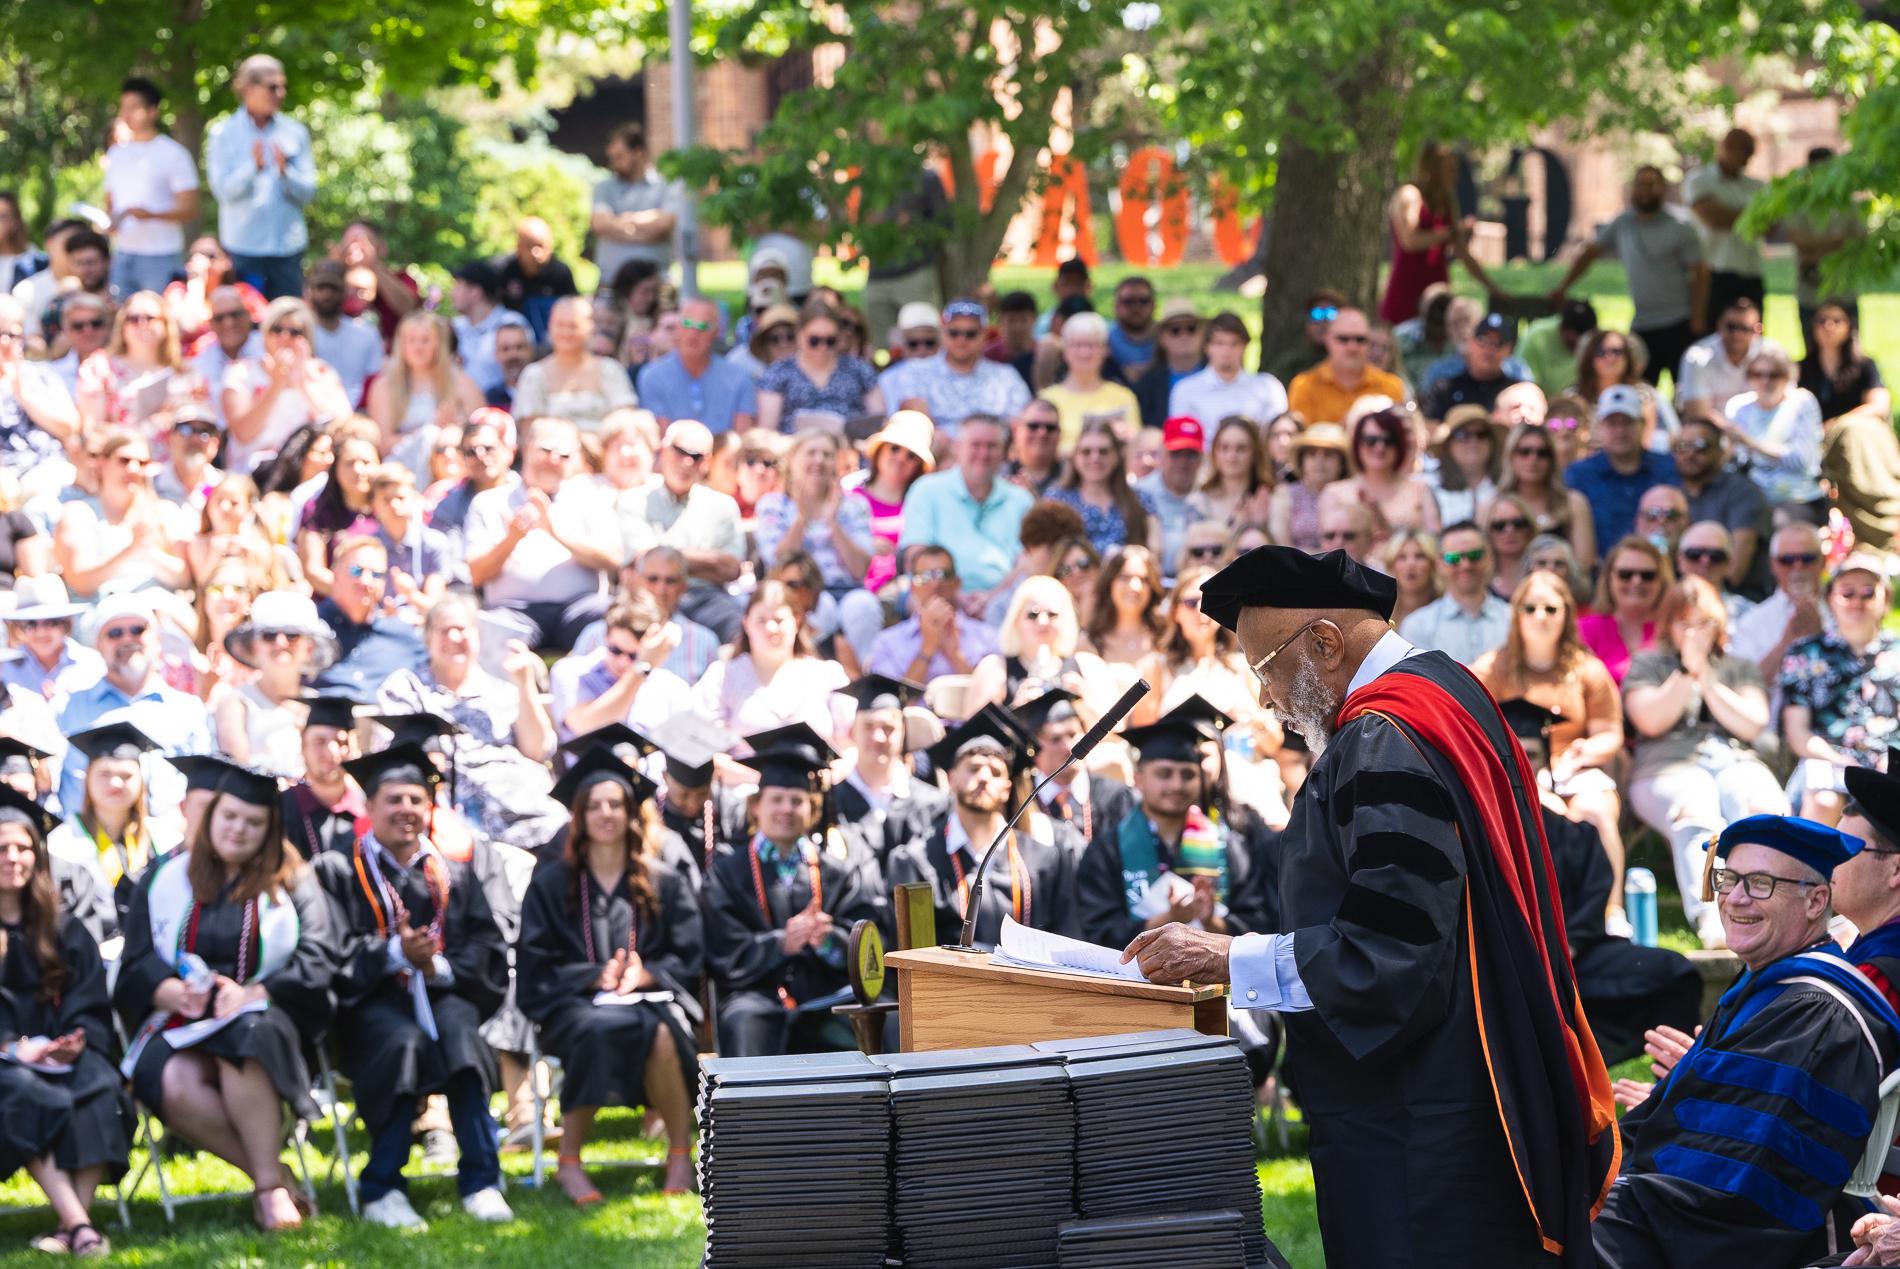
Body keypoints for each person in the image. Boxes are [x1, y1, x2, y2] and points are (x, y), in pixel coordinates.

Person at [1125, 545, 1619, 1268]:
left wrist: (1231, 955)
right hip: (1470, 1084)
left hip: (1421, 1123)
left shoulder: (1384, 737)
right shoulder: (1448, 691)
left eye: (1267, 672)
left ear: (1325, 641)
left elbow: (1389, 947)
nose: (1267, 701)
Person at [1594, 816, 1900, 1269]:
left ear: (1817, 900)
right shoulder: (1762, 989)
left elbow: (1738, 1183)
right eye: (1729, 878)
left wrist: (1603, 1195)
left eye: (1761, 883)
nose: (1735, 897)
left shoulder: (1817, 1015)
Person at [113, 765, 334, 1232]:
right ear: (211, 816)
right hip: (179, 1023)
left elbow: (320, 955)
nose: (239, 830)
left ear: (270, 830)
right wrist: (168, 990)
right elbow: (133, 962)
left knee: (246, 1042)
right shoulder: (166, 876)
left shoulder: (292, 879)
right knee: (171, 1081)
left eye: (254, 823)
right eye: (230, 817)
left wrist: (256, 991)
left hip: (261, 1016)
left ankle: (269, 1190)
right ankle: (272, 1178)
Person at [313, 744, 512, 1230]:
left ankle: (482, 1179)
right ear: (370, 807)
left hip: (443, 990)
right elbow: (328, 951)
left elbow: (485, 945)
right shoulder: (338, 871)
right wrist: (394, 955)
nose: (407, 809)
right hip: (367, 1005)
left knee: (461, 1039)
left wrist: (434, 966)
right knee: (402, 1043)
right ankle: (383, 1186)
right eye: (394, 799)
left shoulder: (452, 872)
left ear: (430, 809)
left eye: (416, 800)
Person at [516, 747, 700, 1200]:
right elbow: (535, 962)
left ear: (631, 813)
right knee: (604, 1027)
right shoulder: (551, 882)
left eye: (615, 804)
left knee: (660, 1033)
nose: (605, 814)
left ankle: (680, 1157)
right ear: (578, 816)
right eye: (594, 805)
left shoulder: (663, 881)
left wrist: (647, 974)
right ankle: (570, 1161)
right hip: (572, 1008)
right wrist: (593, 977)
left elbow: (690, 955)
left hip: (647, 1003)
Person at [1496, 702, 1702, 1064]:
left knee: (1674, 973)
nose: (1521, 763)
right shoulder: (1480, 831)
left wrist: (1566, 951)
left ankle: (1666, 1086)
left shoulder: (1575, 835)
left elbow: (1593, 904)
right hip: (1503, 968)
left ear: (1545, 763)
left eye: (1531, 754)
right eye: (1512, 753)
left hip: (1572, 960)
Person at [0, 787, 130, 1258]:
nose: (13, 858)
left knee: (97, 1081)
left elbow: (89, 1001)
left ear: (38, 855)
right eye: (1, 848)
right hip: (6, 1064)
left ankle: (70, 1222)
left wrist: (75, 1041)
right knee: (22, 1091)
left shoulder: (65, 927)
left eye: (22, 847)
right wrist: (15, 1050)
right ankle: (80, 1224)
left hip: (59, 1055)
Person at [703, 723, 886, 1055]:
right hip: (756, 997)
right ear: (756, 806)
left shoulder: (839, 873)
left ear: (812, 810)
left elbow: (869, 941)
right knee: (744, 1020)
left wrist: (831, 940)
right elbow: (721, 949)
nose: (786, 809)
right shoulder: (727, 873)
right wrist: (780, 943)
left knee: (875, 1017)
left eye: (797, 800)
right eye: (777, 799)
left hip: (825, 995)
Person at [1624, 575, 1785, 945]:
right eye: (1685, 623)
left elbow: (1751, 722)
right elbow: (1650, 719)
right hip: (1667, 767)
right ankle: (1712, 915)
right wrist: (1685, 671)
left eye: (1704, 623)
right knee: (1695, 806)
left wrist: (1706, 676)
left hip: (1734, 759)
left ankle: (1767, 911)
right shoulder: (1648, 665)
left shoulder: (1737, 667)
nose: (1695, 632)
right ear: (1669, 624)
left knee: (1760, 806)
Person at [1474, 570, 1628, 927]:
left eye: (1550, 608)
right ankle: (1546, 917)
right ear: (1516, 615)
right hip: (1515, 770)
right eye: (1530, 608)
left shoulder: (1587, 669)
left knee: (1597, 811)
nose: (1540, 617)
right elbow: (1472, 728)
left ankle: (1611, 911)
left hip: (1574, 766)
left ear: (1566, 614)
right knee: (1546, 811)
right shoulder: (1493, 668)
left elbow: (1609, 732)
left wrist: (1584, 753)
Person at [1075, 693, 1277, 950]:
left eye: (1187, 775)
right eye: (1164, 774)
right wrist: (1169, 920)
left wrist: (1209, 919)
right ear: (1138, 779)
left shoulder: (1230, 846)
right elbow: (1097, 933)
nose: (1176, 785)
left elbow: (1256, 925)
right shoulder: (1106, 850)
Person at [888, 705, 1074, 946]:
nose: (984, 777)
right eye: (974, 768)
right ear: (952, 779)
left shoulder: (1043, 860)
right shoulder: (916, 862)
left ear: (1007, 789)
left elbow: (1065, 942)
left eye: (996, 772)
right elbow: (910, 955)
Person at [466, 416, 621, 653]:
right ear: (527, 449)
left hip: (579, 607)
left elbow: (613, 558)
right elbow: (477, 574)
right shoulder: (489, 502)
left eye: (565, 455)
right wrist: (512, 539)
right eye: (546, 450)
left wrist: (555, 532)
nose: (554, 459)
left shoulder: (591, 498)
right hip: (514, 611)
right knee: (491, 635)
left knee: (613, 618)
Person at [1547, 165, 1708, 390]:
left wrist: (1697, 315)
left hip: (1678, 322)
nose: (1645, 191)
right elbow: (1590, 254)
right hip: (1642, 323)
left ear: (1662, 189)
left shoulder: (1680, 226)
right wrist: (1563, 287)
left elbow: (1700, 272)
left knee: (1685, 389)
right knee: (1638, 390)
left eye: (1651, 185)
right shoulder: (1623, 223)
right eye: (1640, 184)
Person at [56, 594, 211, 820]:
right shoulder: (67, 708)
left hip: (170, 843)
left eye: (138, 630)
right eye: (114, 633)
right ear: (98, 645)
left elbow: (203, 783)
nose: (127, 639)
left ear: (157, 639)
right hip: (87, 845)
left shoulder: (188, 709)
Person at [1780, 553, 1899, 821]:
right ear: (1830, 599)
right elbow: (1797, 732)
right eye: (1848, 593)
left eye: (1868, 593)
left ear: (1885, 601)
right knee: (1824, 800)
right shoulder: (1804, 653)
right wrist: (1842, 761)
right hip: (1827, 763)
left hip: (1890, 766)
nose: (1857, 602)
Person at [753, 428, 882, 657]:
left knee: (864, 607)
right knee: (822, 608)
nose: (819, 460)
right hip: (798, 591)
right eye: (811, 453)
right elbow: (776, 564)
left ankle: (864, 681)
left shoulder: (854, 505)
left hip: (849, 589)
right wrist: (801, 520)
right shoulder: (773, 505)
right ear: (792, 460)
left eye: (827, 454)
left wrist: (833, 522)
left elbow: (860, 569)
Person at [205, 55, 314, 300]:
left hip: (287, 248)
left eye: (282, 86)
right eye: (272, 86)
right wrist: (252, 168)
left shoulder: (295, 132)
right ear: (247, 88)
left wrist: (286, 173)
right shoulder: (224, 133)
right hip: (244, 249)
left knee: (287, 322)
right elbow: (223, 191)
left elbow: (309, 192)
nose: (280, 93)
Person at [627, 419, 747, 641]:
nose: (687, 462)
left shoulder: (722, 506)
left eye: (696, 456)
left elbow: (731, 568)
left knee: (742, 631)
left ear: (707, 462)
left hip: (705, 597)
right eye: (680, 451)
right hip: (648, 596)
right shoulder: (633, 500)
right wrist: (707, 561)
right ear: (663, 451)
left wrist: (664, 554)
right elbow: (641, 560)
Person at [898, 413, 1032, 610]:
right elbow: (916, 556)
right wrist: (954, 595)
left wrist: (992, 598)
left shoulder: (1020, 500)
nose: (983, 454)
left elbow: (1028, 561)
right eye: (976, 445)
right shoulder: (927, 490)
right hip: (939, 592)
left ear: (1004, 452)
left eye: (992, 446)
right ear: (957, 448)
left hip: (1003, 600)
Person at [220, 297, 352, 475]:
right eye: (277, 329)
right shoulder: (241, 372)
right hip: (255, 472)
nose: (284, 337)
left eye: (295, 332)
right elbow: (243, 434)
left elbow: (345, 428)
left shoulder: (321, 372)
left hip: (309, 473)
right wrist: (276, 384)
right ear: (265, 333)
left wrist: (301, 382)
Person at [215, 590, 336, 776]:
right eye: (269, 635)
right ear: (255, 647)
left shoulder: (322, 706)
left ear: (309, 648)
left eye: (292, 635)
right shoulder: (234, 702)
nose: (281, 643)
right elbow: (238, 774)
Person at [967, 578, 1118, 721]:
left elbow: (1119, 736)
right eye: (1033, 614)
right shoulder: (994, 667)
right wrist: (1018, 711)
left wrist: (1085, 702)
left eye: (1052, 614)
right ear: (1016, 620)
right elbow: (974, 738)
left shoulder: (1088, 665)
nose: (1043, 622)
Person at [103, 79, 200, 297]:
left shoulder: (173, 154)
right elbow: (110, 202)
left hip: (161, 254)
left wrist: (152, 215)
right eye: (123, 107)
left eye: (133, 107)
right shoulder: (116, 154)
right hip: (123, 252)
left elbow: (191, 208)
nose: (126, 114)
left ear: (152, 111)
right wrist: (109, 222)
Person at [74, 287, 201, 444]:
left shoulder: (185, 373)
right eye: (133, 319)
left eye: (150, 318)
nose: (142, 324)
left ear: (165, 325)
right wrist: (148, 428)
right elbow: (92, 431)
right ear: (122, 326)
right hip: (124, 461)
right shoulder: (100, 369)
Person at [308, 535, 428, 697]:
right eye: (356, 570)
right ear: (335, 575)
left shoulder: (402, 636)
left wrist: (415, 598)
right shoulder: (308, 629)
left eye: (377, 575)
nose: (366, 581)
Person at [1563, 386, 1680, 551]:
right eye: (1612, 423)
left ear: (1643, 424)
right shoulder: (1578, 475)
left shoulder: (1669, 468)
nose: (1620, 431)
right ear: (1599, 427)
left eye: (1627, 422)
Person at [365, 310, 482, 475]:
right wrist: (431, 433)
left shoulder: (461, 382)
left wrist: (455, 428)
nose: (418, 347)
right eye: (411, 340)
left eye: (425, 340)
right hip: (403, 468)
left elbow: (480, 429)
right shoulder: (384, 386)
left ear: (439, 344)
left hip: (451, 461)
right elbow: (383, 444)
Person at [1728, 522, 1828, 709]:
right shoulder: (1753, 621)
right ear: (1773, 564)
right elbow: (1741, 687)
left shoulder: (1846, 606)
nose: (1798, 567)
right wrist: (1787, 641)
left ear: (1823, 561)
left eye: (1807, 558)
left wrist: (1821, 637)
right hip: (1774, 729)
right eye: (1787, 560)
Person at [866, 545, 999, 686]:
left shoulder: (987, 637)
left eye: (943, 575)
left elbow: (992, 701)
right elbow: (893, 701)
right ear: (912, 586)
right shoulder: (887, 642)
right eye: (924, 577)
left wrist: (955, 656)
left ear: (957, 582)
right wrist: (927, 648)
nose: (935, 584)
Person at [1719, 346, 1826, 519]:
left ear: (1787, 377)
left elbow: (1802, 460)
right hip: (1751, 494)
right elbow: (1735, 460)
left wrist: (1751, 443)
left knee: (1778, 519)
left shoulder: (1802, 402)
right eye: (1757, 375)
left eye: (1774, 375)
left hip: (1797, 496)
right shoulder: (1738, 407)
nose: (1765, 381)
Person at [1672, 414, 1768, 594]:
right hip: (1682, 595)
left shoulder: (1743, 491)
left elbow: (1736, 570)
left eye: (1700, 446)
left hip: (1736, 599)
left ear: (1720, 451)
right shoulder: (1672, 494)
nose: (1690, 454)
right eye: (1682, 447)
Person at [1684, 125, 1767, 328]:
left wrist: (1735, 217)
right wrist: (1752, 218)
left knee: (1752, 335)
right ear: (1726, 147)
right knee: (1713, 332)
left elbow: (1770, 225)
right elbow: (1712, 218)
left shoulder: (1757, 186)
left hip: (1751, 271)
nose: (1746, 157)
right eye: (1742, 149)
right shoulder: (1699, 179)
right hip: (1715, 272)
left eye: (1750, 151)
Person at [510, 299, 636, 433]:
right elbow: (529, 431)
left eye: (573, 325)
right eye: (560, 325)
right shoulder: (533, 375)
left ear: (590, 327)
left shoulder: (611, 369)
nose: (566, 332)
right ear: (550, 326)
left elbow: (625, 417)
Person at [635, 297, 757, 434]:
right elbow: (662, 436)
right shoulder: (652, 376)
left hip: (726, 453)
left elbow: (742, 437)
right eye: (687, 324)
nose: (693, 334)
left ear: (717, 332)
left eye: (703, 327)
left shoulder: (739, 378)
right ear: (678, 327)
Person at [756, 303, 883, 434]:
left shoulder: (859, 369)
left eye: (830, 341)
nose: (822, 347)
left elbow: (879, 421)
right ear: (799, 335)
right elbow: (767, 431)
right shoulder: (778, 372)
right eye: (814, 341)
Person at [1320, 404, 1440, 542]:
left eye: (1388, 440)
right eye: (1371, 440)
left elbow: (1434, 543)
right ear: (1357, 444)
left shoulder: (1420, 489)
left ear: (1399, 445)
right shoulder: (1333, 493)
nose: (1380, 447)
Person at [1396, 520, 1512, 663]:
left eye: (1474, 555)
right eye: (1453, 558)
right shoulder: (1418, 626)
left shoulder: (1513, 619)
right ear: (1439, 563)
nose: (1465, 564)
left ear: (1489, 557)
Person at [1045, 419, 1158, 557]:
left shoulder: (1140, 499)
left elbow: (1155, 549)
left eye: (1103, 452)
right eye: (1086, 452)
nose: (1095, 458)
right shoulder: (1057, 500)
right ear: (1075, 457)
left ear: (1116, 456)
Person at [590, 122, 684, 285]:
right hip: (611, 281)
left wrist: (621, 222)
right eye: (611, 157)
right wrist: (642, 229)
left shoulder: (665, 185)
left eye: (619, 156)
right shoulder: (604, 187)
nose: (613, 162)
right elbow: (600, 224)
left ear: (639, 152)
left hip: (657, 282)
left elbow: (663, 224)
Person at [1285, 306, 1407, 425]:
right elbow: (1301, 441)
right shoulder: (1303, 386)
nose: (1352, 347)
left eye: (1360, 339)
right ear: (1327, 340)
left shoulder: (1391, 386)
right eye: (1343, 339)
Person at [1166, 311, 1286, 431]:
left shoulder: (1269, 387)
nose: (1227, 350)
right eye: (1219, 343)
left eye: (1234, 344)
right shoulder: (1185, 390)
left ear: (1245, 347)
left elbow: (1277, 435)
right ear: (1206, 347)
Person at [1571, 328, 1679, 455]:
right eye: (1601, 352)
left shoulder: (1645, 394)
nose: (1609, 358)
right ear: (1590, 358)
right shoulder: (1574, 397)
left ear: (1627, 357)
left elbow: (1674, 435)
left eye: (1617, 352)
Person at [1038, 312, 1139, 448]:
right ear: (1064, 351)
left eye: (1092, 345)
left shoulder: (1124, 397)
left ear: (1105, 350)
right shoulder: (1046, 399)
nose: (1084, 353)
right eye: (1077, 345)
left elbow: (1136, 446)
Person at [281, 694, 361, 859]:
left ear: (353, 749)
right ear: (303, 745)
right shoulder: (281, 808)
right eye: (320, 741)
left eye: (341, 742)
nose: (331, 752)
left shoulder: (365, 812)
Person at [1, 578, 102, 707]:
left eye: (50, 622)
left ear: (67, 622)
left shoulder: (93, 663)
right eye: (29, 623)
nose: (40, 632)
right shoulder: (4, 668)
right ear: (18, 627)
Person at [1676, 296, 1778, 421]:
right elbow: (1698, 414)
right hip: (1712, 432)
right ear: (1719, 325)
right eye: (1731, 327)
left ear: (1758, 330)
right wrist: (1735, 433)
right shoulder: (1698, 357)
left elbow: (1784, 404)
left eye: (1745, 328)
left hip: (1759, 432)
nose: (1737, 334)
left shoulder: (1772, 355)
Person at [449, 260, 531, 401]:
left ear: (475, 291)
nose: (452, 294)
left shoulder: (511, 322)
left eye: (458, 287)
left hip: (504, 404)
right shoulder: (455, 327)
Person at [303, 260, 381, 408]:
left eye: (333, 288)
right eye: (320, 287)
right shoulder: (298, 333)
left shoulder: (367, 334)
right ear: (309, 291)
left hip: (358, 414)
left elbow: (374, 380)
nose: (327, 294)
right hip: (310, 412)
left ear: (345, 291)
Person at [1419, 311, 1524, 420]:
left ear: (1508, 350)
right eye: (1482, 340)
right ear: (1470, 342)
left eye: (1498, 343)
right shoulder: (1444, 388)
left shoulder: (1518, 391)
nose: (1489, 349)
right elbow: (1429, 425)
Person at [1801, 299, 1889, 428]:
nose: (1828, 326)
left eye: (1837, 321)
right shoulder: (1800, 369)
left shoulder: (1865, 365)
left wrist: (1838, 424)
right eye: (1822, 321)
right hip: (1812, 439)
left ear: (1849, 326)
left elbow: (1879, 406)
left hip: (1854, 433)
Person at [1267, 422, 1348, 554]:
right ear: (1302, 461)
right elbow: (1279, 546)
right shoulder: (1285, 495)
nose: (1319, 461)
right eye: (1312, 454)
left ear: (1341, 463)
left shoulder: (1352, 493)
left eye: (1328, 455)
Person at [496, 217, 578, 344]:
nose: (536, 253)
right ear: (518, 247)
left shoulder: (560, 273)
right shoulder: (504, 270)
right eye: (529, 246)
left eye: (541, 246)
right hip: (514, 342)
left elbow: (573, 309)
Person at [190, 286, 261, 428]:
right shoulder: (203, 361)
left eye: (235, 314)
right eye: (219, 318)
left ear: (248, 316)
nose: (228, 323)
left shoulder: (268, 348)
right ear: (211, 324)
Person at [1132, 300, 1204, 431]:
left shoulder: (1218, 374)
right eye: (1175, 330)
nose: (1184, 335)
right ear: (1162, 337)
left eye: (1191, 328)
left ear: (1202, 334)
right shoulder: (1147, 386)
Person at [1428, 405, 1500, 526]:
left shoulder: (1506, 483)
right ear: (1448, 445)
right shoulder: (1430, 486)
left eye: (1481, 434)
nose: (1473, 442)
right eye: (1462, 435)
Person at [1675, 521, 1754, 624]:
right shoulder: (1657, 607)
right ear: (1679, 560)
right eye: (1695, 554)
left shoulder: (1749, 615)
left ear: (1729, 563)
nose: (1705, 562)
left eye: (1716, 556)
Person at [1519, 298, 1597, 399]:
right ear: (1562, 329)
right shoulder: (1536, 337)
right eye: (1575, 341)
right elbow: (1524, 383)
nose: (1580, 345)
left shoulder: (1596, 343)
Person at [1634, 484, 1691, 561]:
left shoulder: (1695, 563)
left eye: (1671, 515)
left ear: (1686, 523)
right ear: (1637, 522)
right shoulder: (1623, 566)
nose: (1661, 521)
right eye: (1652, 514)